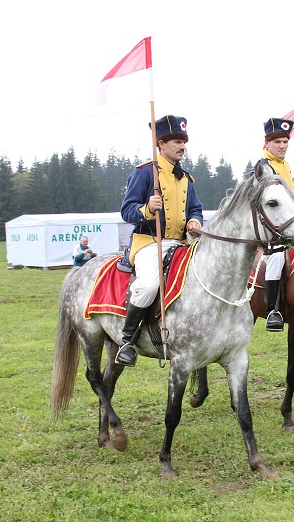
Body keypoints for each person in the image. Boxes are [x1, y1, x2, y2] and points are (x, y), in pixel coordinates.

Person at [116, 115, 204, 366]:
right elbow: (126, 211)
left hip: (181, 244)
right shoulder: (145, 174)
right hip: (149, 244)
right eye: (177, 141)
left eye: (184, 142)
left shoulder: (187, 177)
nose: (183, 146)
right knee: (149, 285)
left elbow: (195, 208)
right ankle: (127, 341)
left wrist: (194, 222)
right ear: (161, 143)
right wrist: (146, 209)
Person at [259, 117, 294, 331]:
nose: (282, 146)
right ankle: (272, 310)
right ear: (267, 143)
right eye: (277, 142)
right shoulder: (264, 167)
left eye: (285, 141)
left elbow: (289, 199)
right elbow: (273, 203)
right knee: (276, 257)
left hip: (288, 223)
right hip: (271, 227)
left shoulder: (286, 165)